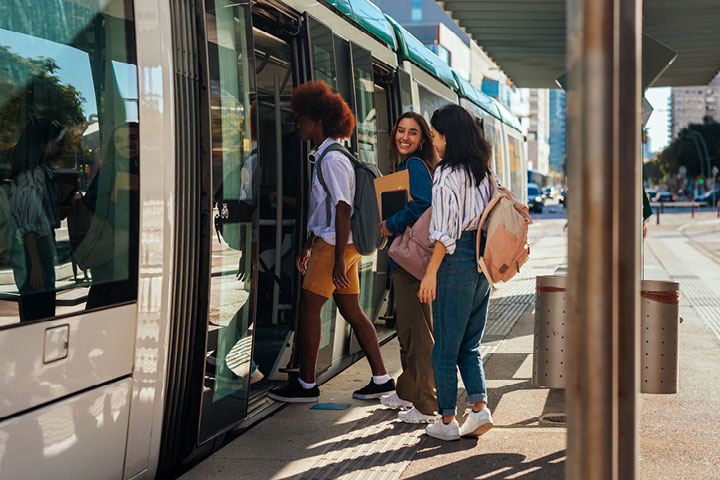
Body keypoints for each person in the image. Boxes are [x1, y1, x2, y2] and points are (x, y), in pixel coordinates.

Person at [268, 80, 394, 403]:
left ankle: (306, 385)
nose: (298, 124)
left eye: (303, 118)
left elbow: (342, 207)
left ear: (319, 122)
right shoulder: (328, 156)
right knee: (351, 310)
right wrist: (310, 242)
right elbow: (328, 210)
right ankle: (381, 378)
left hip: (337, 247)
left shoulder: (331, 159)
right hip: (338, 245)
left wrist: (335, 257)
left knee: (309, 308)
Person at [418, 104, 496, 441]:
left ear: (447, 137)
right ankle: (479, 411)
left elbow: (445, 233)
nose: (432, 141)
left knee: (445, 348)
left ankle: (447, 421)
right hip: (482, 265)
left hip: (456, 262)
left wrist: (430, 273)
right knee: (470, 345)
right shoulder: (483, 173)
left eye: (434, 135)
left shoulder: (446, 175)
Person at [377, 112, 439, 423]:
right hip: (409, 260)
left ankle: (426, 405)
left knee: (416, 332)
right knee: (407, 329)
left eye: (413, 133)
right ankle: (406, 391)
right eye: (400, 130)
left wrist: (392, 222)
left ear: (423, 139)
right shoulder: (413, 165)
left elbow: (424, 203)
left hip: (411, 260)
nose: (405, 137)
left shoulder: (414, 165)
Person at [9, 120, 65, 321]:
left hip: (40, 247)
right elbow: (27, 225)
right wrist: (36, 263)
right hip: (34, 248)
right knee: (38, 313)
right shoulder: (32, 176)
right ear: (43, 145)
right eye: (58, 143)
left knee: (39, 311)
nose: (62, 148)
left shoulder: (40, 173)